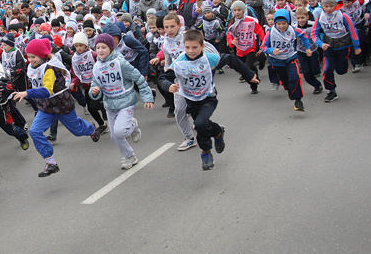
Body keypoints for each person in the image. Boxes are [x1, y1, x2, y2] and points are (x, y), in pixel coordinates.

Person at [158, 30, 259, 170]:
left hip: (208, 97)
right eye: (187, 47)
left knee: (200, 124)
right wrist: (169, 86)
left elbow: (231, 59)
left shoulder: (209, 59)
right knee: (203, 124)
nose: (191, 51)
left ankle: (206, 152)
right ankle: (218, 132)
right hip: (191, 100)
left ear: (202, 46)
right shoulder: (180, 62)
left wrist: (249, 75)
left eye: (194, 47)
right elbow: (163, 78)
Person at [11, 38, 100, 177]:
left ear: (42, 55)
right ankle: (51, 162)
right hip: (45, 107)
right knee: (34, 132)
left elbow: (47, 91)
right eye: (28, 57)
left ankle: (91, 129)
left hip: (61, 105)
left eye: (33, 57)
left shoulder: (49, 68)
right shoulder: (32, 67)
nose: (30, 59)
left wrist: (27, 93)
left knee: (77, 130)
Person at [89, 33, 154, 170]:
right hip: (110, 103)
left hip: (126, 101)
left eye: (104, 47)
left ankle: (133, 124)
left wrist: (147, 96)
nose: (100, 50)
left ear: (111, 48)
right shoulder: (96, 67)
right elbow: (95, 85)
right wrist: (94, 91)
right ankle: (129, 156)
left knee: (120, 132)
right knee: (115, 136)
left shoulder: (120, 63)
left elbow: (138, 78)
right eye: (98, 47)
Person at [310, 0, 361, 102]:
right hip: (328, 47)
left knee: (341, 70)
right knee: (327, 69)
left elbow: (353, 30)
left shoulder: (343, 16)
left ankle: (343, 66)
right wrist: (320, 44)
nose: (328, 9)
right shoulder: (320, 17)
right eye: (326, 6)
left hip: (343, 45)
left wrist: (357, 46)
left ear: (335, 5)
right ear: (322, 6)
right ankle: (331, 91)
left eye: (331, 6)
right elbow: (314, 33)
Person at [260, 9, 311, 111]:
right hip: (277, 61)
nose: (282, 26)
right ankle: (289, 89)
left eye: (284, 23)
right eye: (279, 24)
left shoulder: (293, 30)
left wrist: (308, 47)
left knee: (295, 77)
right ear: (275, 23)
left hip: (290, 57)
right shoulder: (271, 32)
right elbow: (263, 47)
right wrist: (272, 50)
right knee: (286, 82)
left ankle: (298, 100)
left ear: (288, 22)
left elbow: (304, 36)